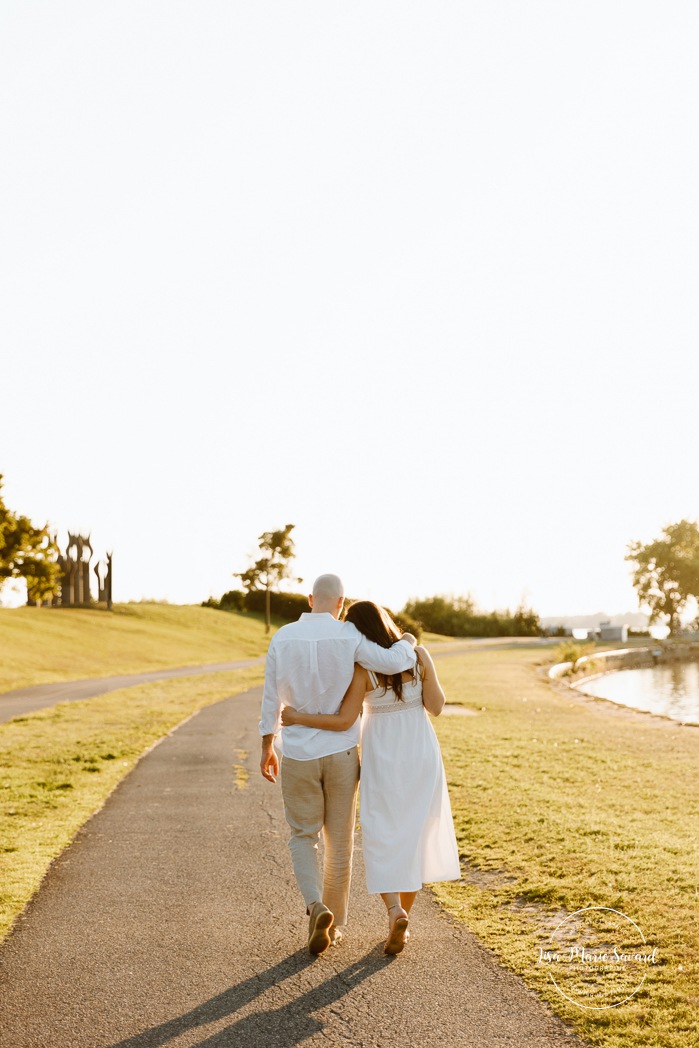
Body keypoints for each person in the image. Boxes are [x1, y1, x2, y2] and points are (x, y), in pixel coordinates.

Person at [282, 600, 460, 955]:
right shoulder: (417, 655)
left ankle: (395, 910)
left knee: (381, 836)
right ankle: (401, 918)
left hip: (382, 758)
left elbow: (344, 720)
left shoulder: (362, 669)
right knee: (412, 836)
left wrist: (298, 717)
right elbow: (437, 706)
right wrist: (420, 657)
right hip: (421, 755)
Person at [259, 575, 417, 956]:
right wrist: (410, 642)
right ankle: (336, 926)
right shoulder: (349, 636)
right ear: (341, 602)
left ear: (310, 598)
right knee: (340, 843)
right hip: (343, 754)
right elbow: (395, 660)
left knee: (302, 836)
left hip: (297, 753)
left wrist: (267, 745)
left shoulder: (282, 637)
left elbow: (269, 698)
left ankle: (316, 907)